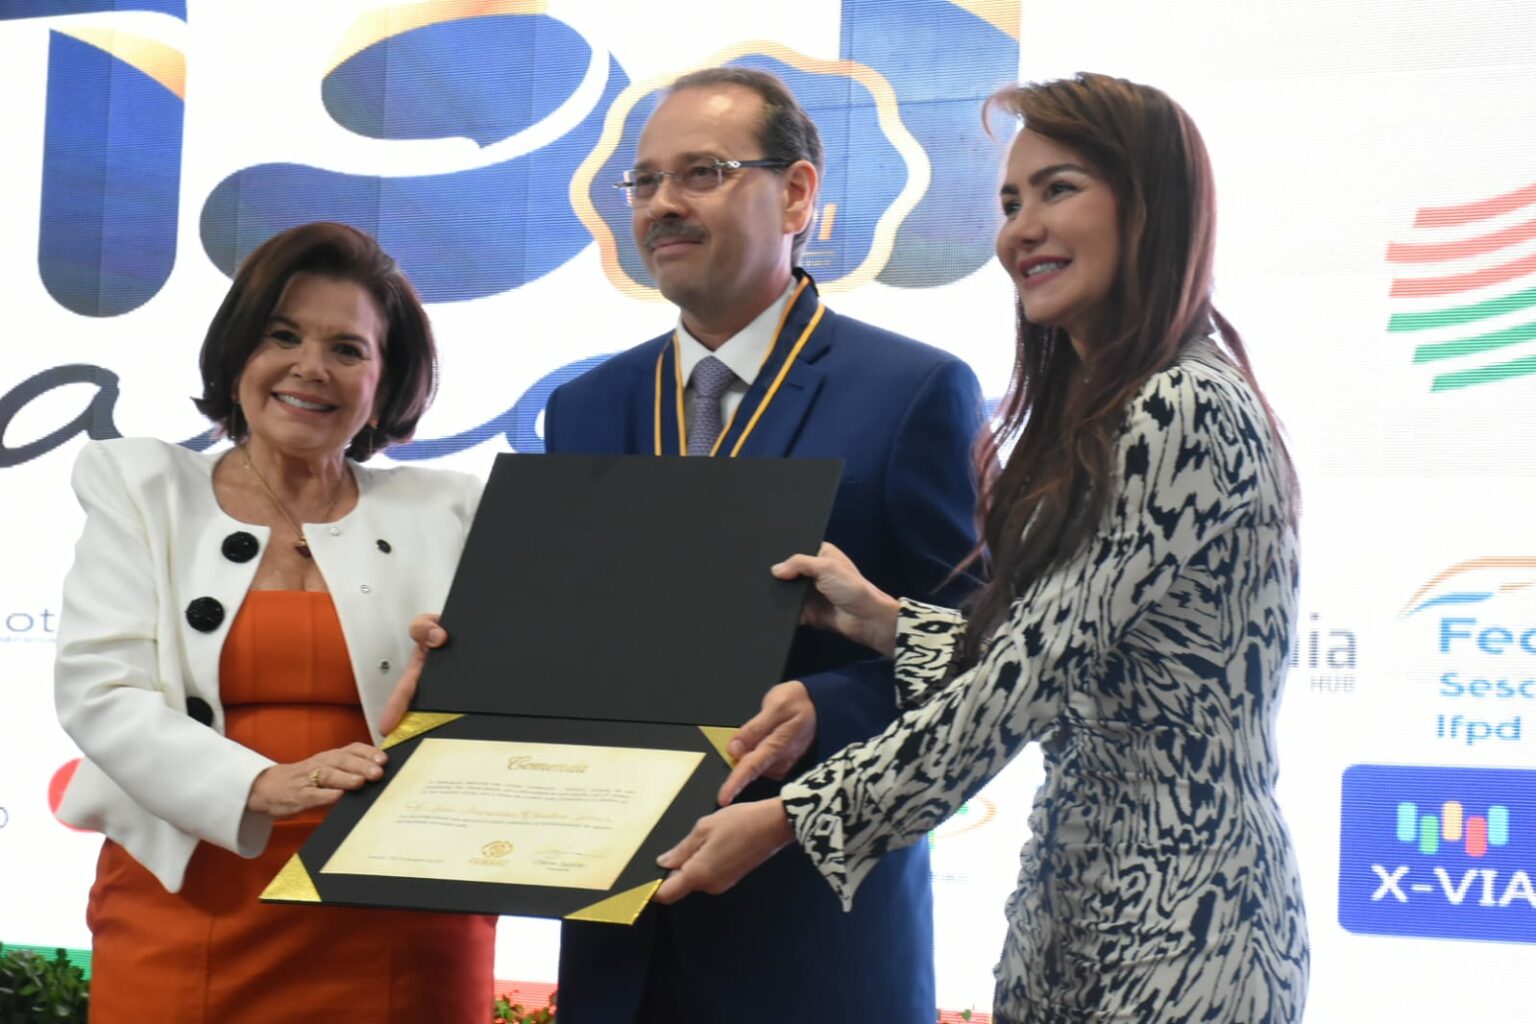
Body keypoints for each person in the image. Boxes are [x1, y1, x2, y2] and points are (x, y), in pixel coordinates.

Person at [652, 73, 1311, 1024]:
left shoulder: (1183, 403)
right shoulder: (1111, 408)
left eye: (1059, 189)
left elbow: (1022, 686)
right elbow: (1064, 665)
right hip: (1074, 902)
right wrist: (883, 621)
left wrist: (795, 818)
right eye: (1010, 202)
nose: (1021, 230)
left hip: (1191, 921)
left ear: (1152, 205)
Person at [544, 66, 986, 1022]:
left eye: (702, 172)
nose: (663, 203)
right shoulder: (585, 409)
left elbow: (984, 654)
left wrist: (827, 705)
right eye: (645, 181)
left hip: (813, 935)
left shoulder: (913, 392)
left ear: (796, 194)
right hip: (615, 923)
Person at [53, 223, 494, 1023]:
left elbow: (520, 699)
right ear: (237, 354)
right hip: (188, 896)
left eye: (348, 350)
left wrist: (462, 697)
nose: (310, 368)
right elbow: (100, 687)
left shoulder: (454, 508)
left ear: (384, 383)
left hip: (402, 909)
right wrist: (255, 784)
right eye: (281, 335)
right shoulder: (139, 483)